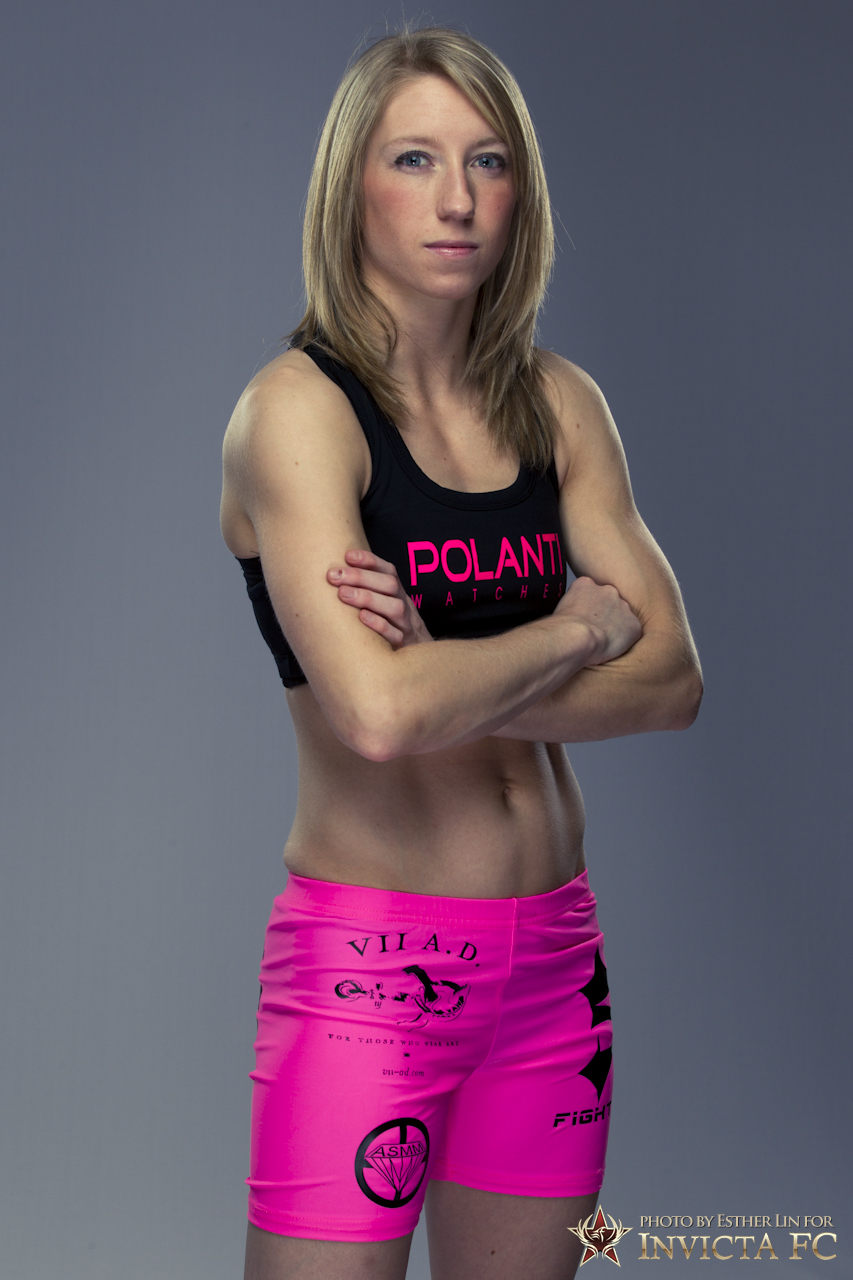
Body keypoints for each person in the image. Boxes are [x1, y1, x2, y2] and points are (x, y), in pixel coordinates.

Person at [220, 25, 702, 1280]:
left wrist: (449, 669)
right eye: (415, 159)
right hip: (372, 971)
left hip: (556, 964)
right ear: (352, 188)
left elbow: (673, 682)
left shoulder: (559, 404)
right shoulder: (296, 413)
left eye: (487, 161)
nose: (456, 199)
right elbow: (380, 715)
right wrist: (572, 629)